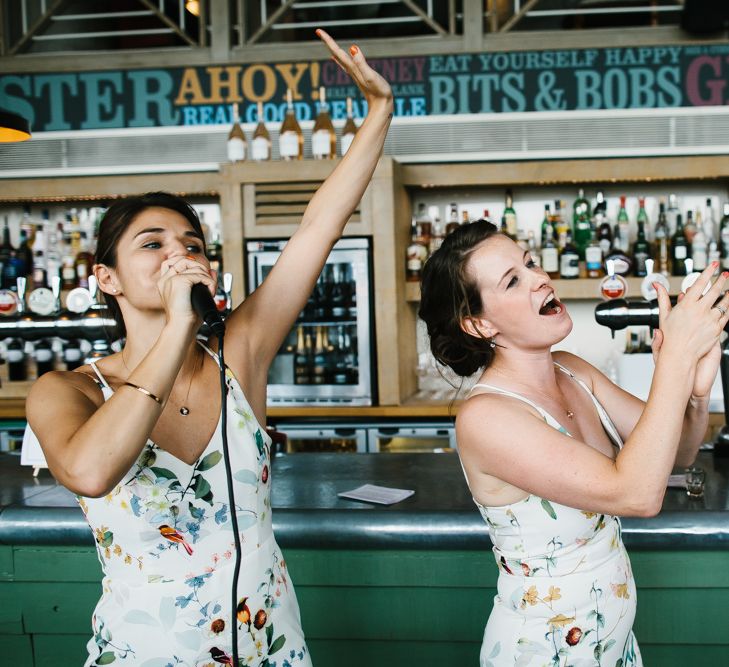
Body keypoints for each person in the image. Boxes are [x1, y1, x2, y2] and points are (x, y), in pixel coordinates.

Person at [25, 30, 393, 667]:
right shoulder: (67, 391)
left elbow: (317, 228)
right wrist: (175, 325)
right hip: (146, 653)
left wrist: (379, 111)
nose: (181, 253)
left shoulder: (240, 353)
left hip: (271, 647)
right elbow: (89, 471)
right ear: (105, 279)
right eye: (153, 243)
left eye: (192, 244)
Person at [418, 219, 728, 666]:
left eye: (530, 264)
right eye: (513, 280)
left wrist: (695, 394)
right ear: (480, 324)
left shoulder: (573, 371)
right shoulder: (486, 417)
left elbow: (672, 458)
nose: (540, 278)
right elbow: (637, 494)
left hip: (613, 643)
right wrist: (675, 362)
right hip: (544, 651)